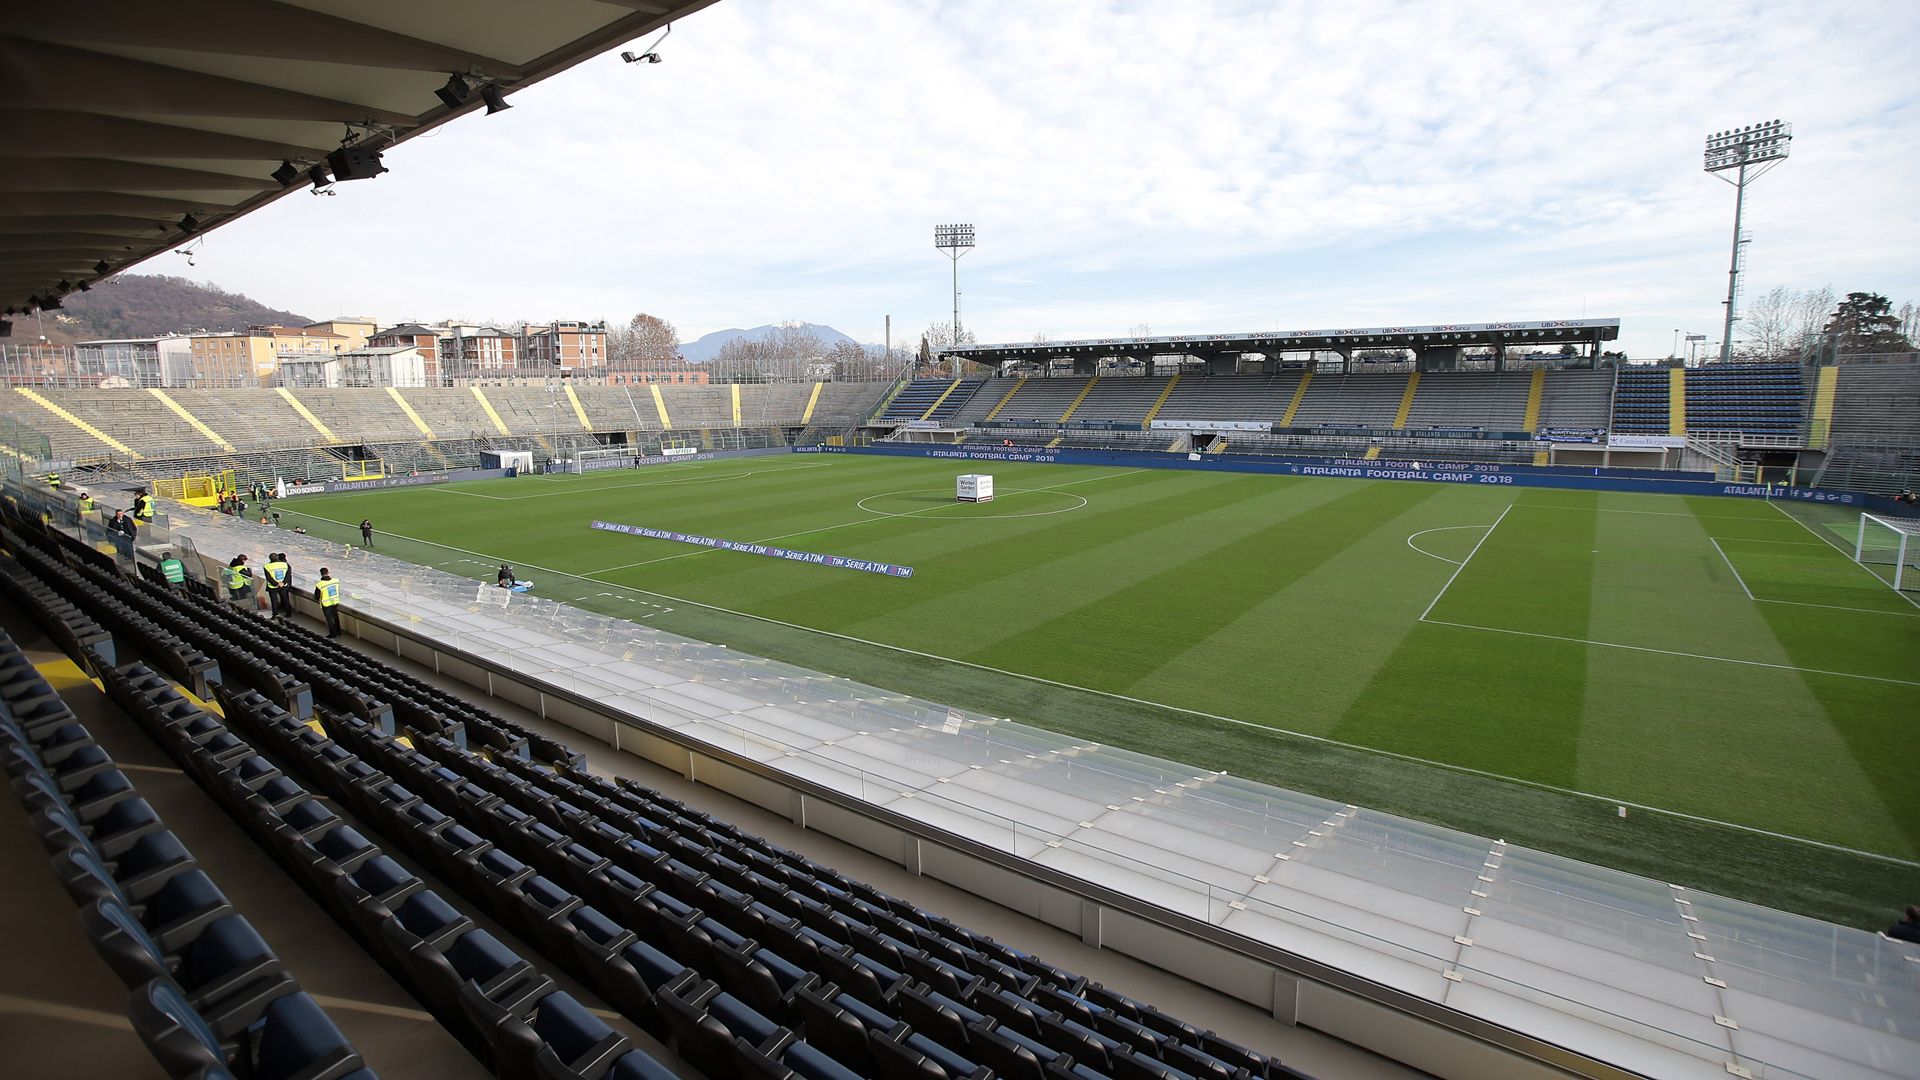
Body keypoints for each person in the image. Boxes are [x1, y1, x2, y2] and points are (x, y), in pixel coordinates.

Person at [263, 552, 292, 618]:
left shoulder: (266, 566)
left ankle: (275, 614)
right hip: (283, 585)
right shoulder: (285, 565)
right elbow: (288, 575)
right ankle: (288, 613)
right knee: (285, 599)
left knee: (274, 601)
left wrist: (276, 584)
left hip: (273, 586)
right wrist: (283, 583)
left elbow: (268, 578)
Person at [314, 568, 342, 638]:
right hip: (335, 601)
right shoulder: (336, 580)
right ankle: (338, 631)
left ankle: (333, 633)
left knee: (329, 619)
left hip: (326, 604)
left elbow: (317, 596)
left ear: (321, 574)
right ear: (328, 572)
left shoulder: (320, 584)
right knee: (335, 617)